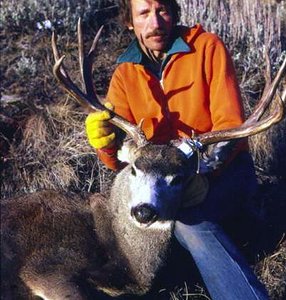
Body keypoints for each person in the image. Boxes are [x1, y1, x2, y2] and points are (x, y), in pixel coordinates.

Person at [85, 0, 269, 299]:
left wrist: (206, 172)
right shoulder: (125, 73)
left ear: (174, 13)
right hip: (160, 180)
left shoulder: (208, 48)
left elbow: (231, 124)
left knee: (187, 222)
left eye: (163, 10)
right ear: (130, 21)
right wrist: (104, 142)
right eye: (143, 13)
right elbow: (115, 158)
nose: (155, 22)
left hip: (222, 172)